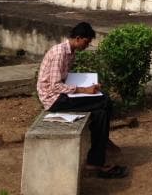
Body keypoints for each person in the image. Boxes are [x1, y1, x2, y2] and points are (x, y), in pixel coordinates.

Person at [37, 22, 127, 179]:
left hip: (62, 95)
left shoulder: (70, 52)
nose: (87, 45)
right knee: (104, 101)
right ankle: (102, 142)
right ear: (78, 38)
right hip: (53, 99)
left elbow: (64, 79)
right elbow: (55, 86)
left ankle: (95, 161)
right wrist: (84, 90)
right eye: (86, 42)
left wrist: (87, 87)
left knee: (100, 113)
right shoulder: (59, 53)